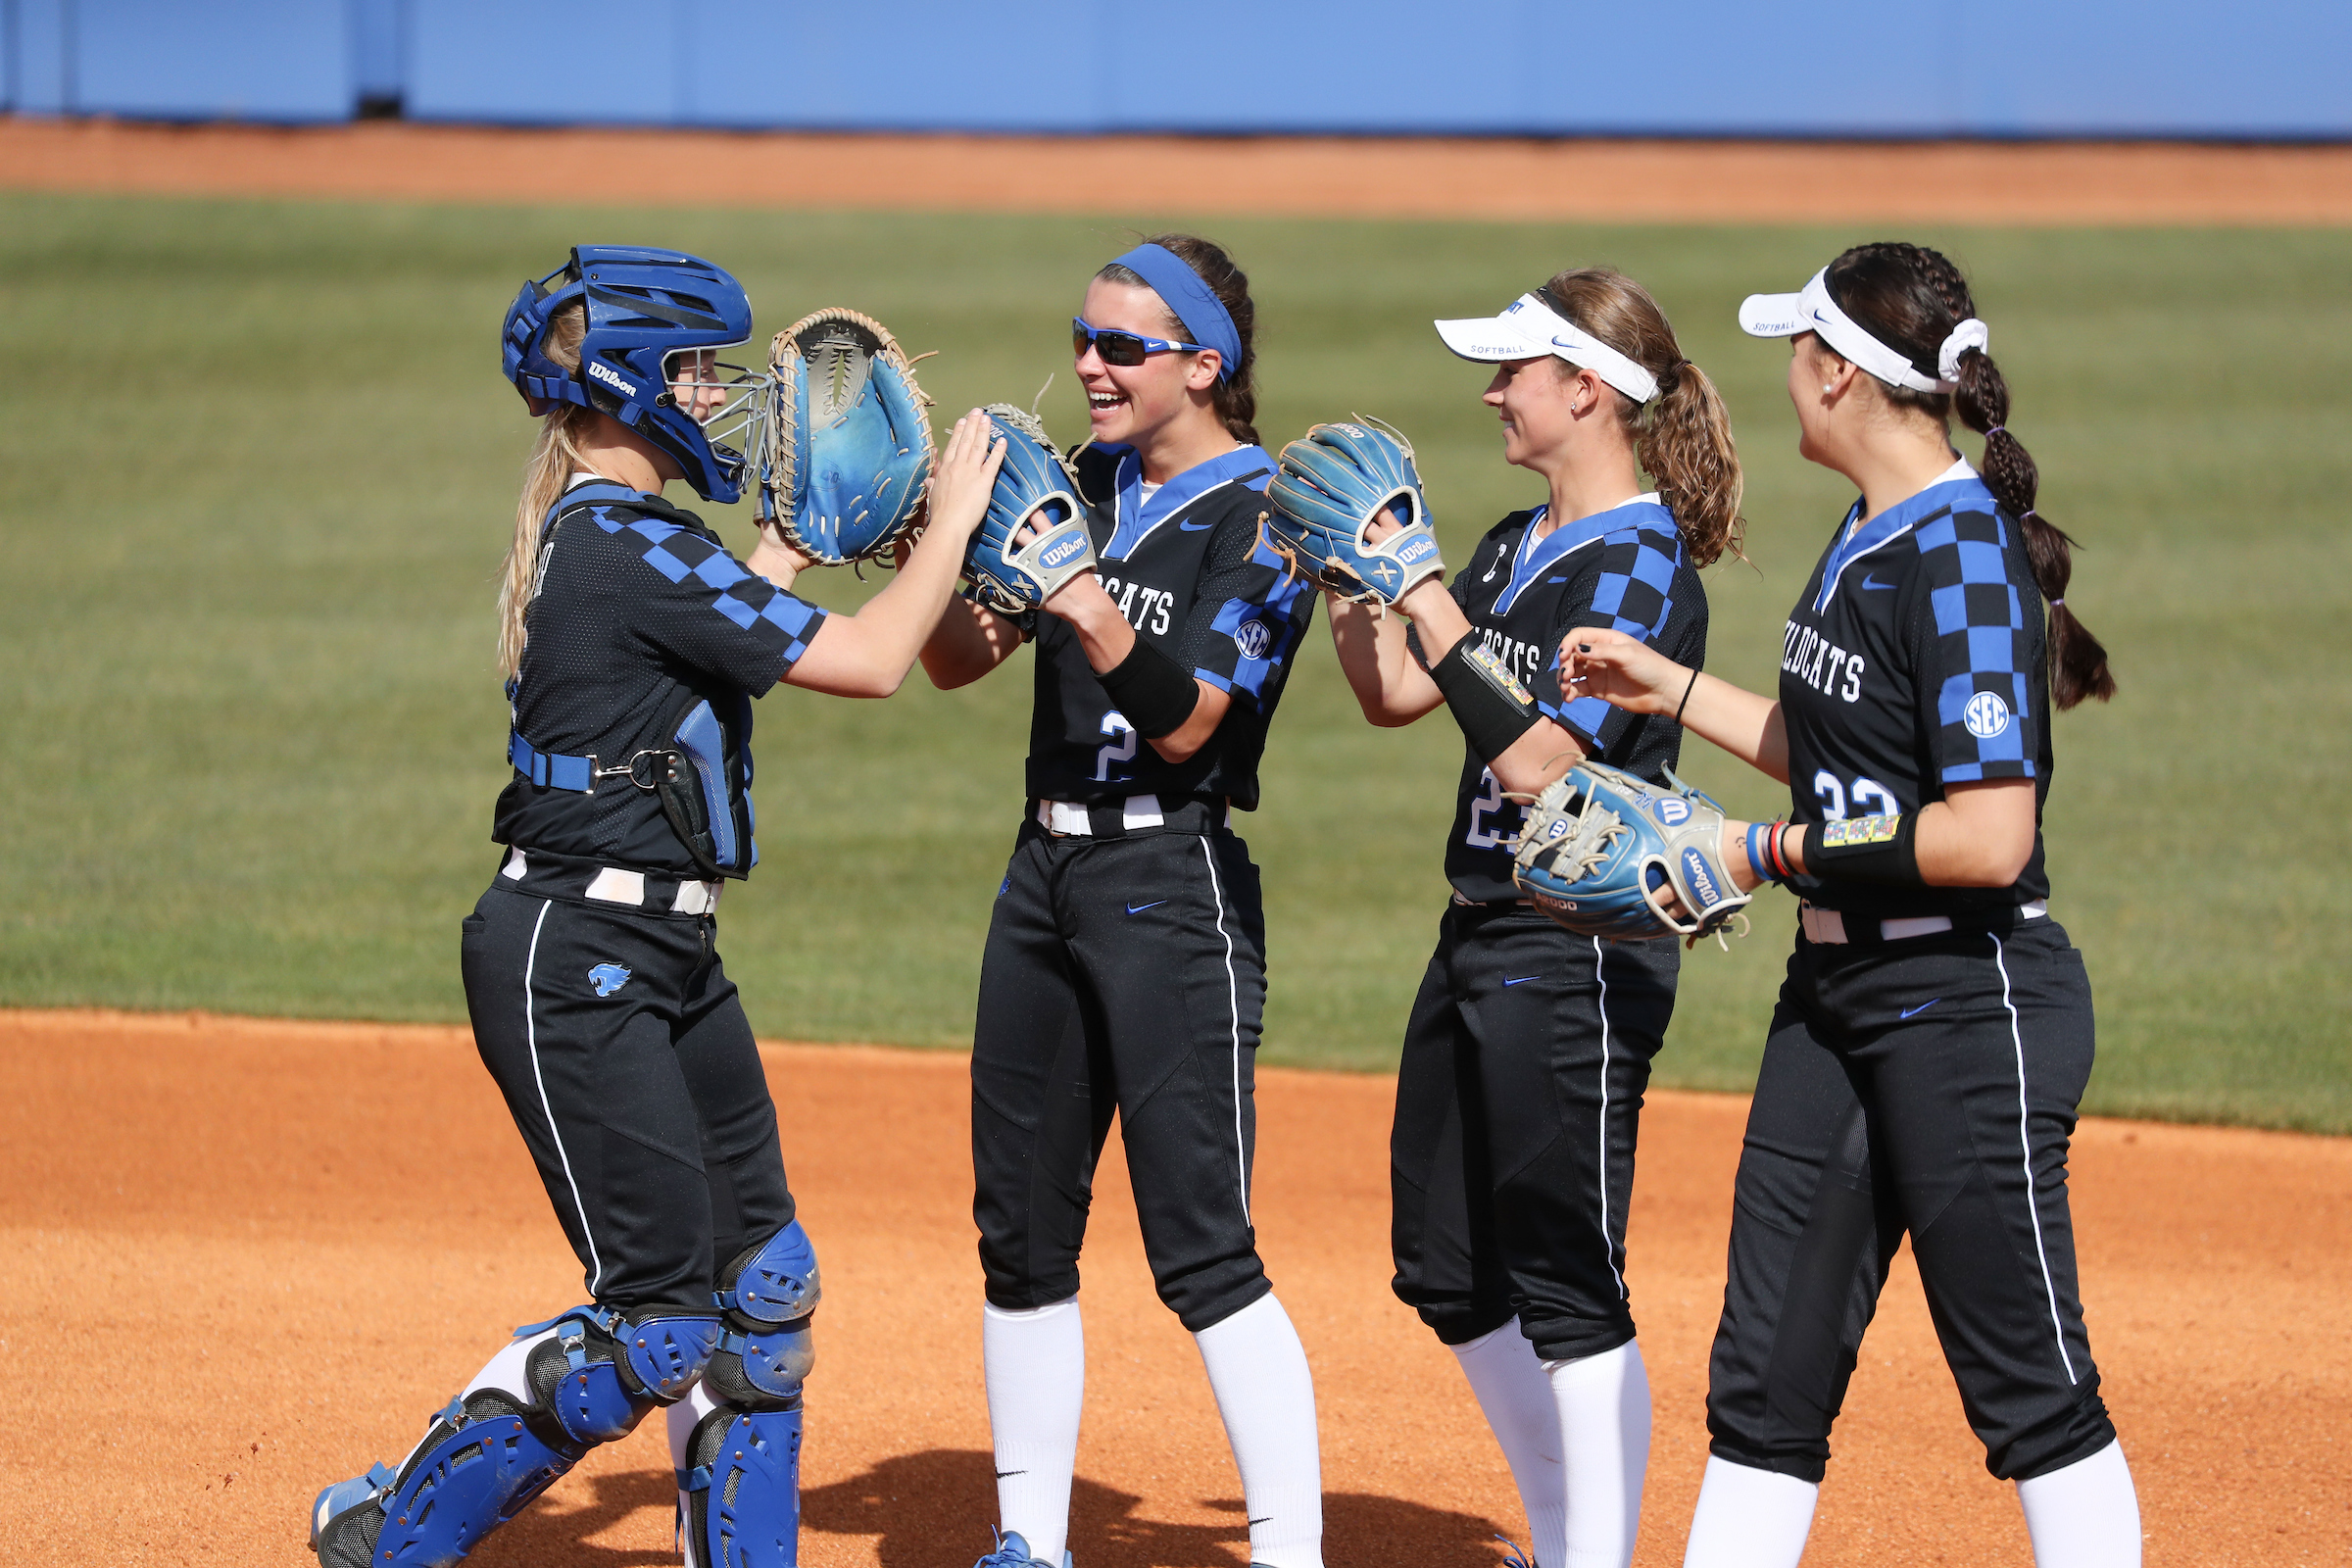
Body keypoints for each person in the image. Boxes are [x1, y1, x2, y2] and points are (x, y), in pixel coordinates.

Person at [308, 244, 1007, 1568]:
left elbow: (705, 658)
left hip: (662, 949)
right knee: (658, 1325)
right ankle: (390, 1537)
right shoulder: (621, 543)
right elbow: (865, 665)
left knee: (764, 1287)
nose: (719, 394)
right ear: (629, 383)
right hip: (572, 956)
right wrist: (955, 521)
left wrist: (786, 554)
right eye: (694, 368)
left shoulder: (632, 541)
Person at [1561, 242, 2137, 1568]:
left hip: (1966, 1005)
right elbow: (1848, 761)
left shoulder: (1962, 559)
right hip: (1835, 999)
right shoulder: (1870, 529)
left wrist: (1761, 852)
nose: (1784, 374)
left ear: (1839, 375)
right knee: (1765, 1383)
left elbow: (1988, 836)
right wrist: (1672, 690)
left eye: (1796, 349)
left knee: (2028, 1388)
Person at [1320, 270, 1741, 1568]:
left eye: (1515, 371)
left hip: (1581, 948)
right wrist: (1352, 587)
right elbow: (1398, 690)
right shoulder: (1514, 541)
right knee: (1444, 1264)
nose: (1493, 391)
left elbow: (1546, 767)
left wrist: (1424, 591)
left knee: (1567, 1278)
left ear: (1589, 391)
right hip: (1480, 930)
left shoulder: (1644, 570)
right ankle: (1563, 1535)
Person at [916, 235, 1325, 1568]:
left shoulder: (1265, 519)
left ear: (1203, 367)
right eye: (1083, 339)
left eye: (1121, 348)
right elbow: (959, 662)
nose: (1087, 365)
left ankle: (1286, 1549)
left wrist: (1077, 593)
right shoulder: (1084, 479)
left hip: (1169, 882)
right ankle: (1028, 1540)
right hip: (1044, 876)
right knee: (1018, 1229)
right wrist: (936, 536)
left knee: (1201, 1247)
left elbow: (1195, 725)